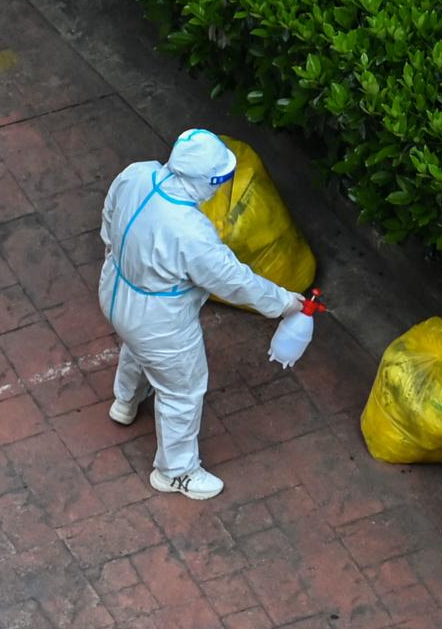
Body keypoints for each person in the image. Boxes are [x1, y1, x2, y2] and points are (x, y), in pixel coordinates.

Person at [98, 129, 303, 500]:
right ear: (204, 181)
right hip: (158, 318)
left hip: (115, 288)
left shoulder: (138, 173)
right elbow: (233, 280)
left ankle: (125, 401)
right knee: (182, 391)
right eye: (220, 180)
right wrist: (284, 302)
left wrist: (115, 252)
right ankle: (174, 472)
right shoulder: (190, 231)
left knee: (137, 348)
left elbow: (110, 212)